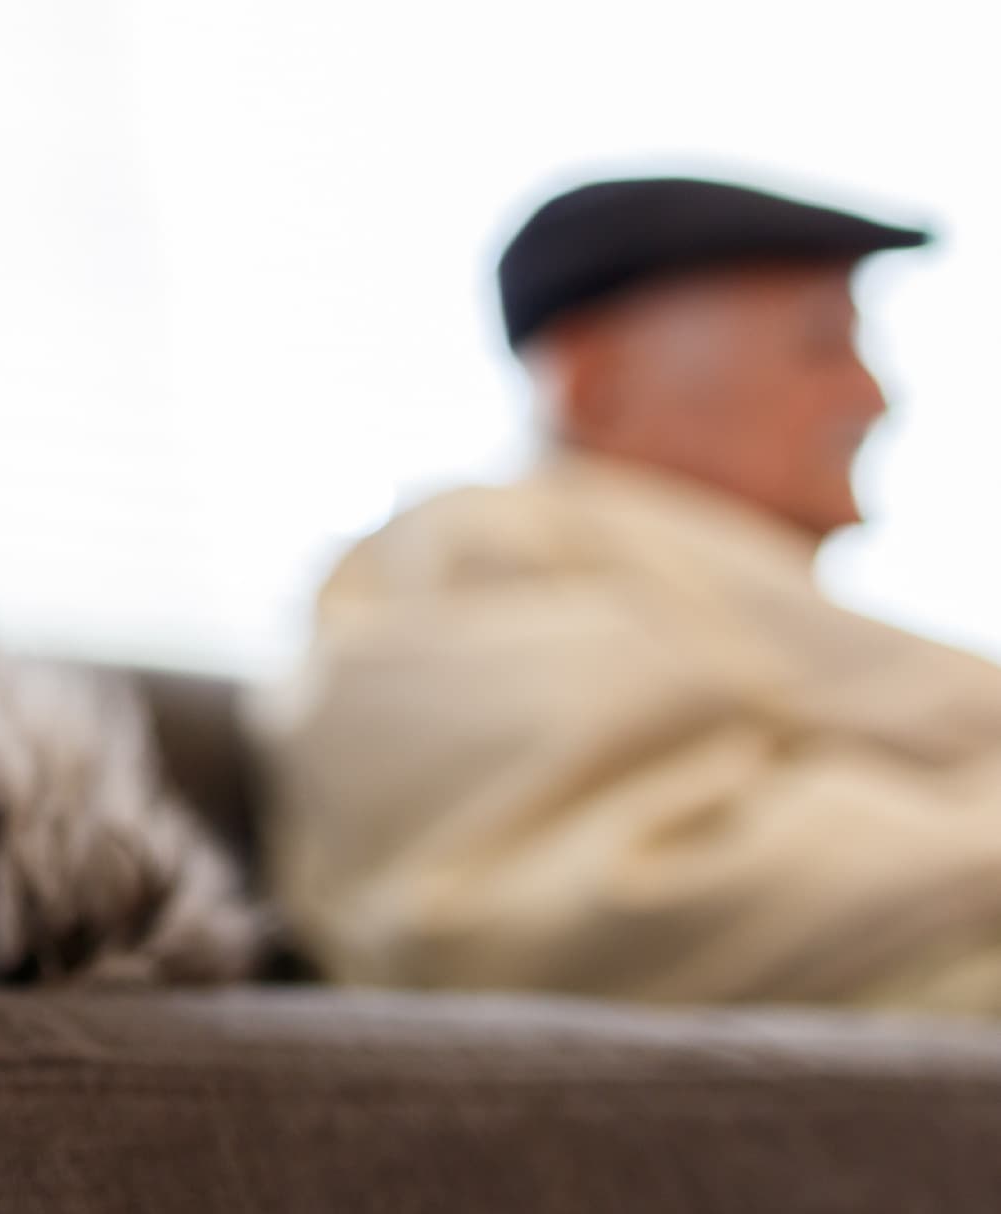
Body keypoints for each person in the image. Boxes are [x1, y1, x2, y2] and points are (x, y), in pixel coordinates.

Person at [254, 176, 1001, 1013]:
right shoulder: (472, 552)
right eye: (822, 345)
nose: (875, 398)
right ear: (592, 384)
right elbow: (611, 894)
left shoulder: (713, 595)